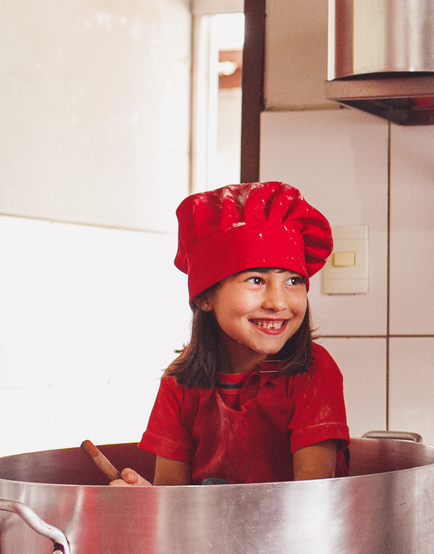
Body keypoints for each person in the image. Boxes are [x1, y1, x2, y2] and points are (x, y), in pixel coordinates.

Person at [112, 181, 349, 486]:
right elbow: (172, 496)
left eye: (292, 281)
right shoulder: (180, 382)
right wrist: (148, 501)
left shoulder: (313, 370)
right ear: (204, 298)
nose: (278, 302)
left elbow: (314, 496)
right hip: (204, 534)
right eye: (255, 280)